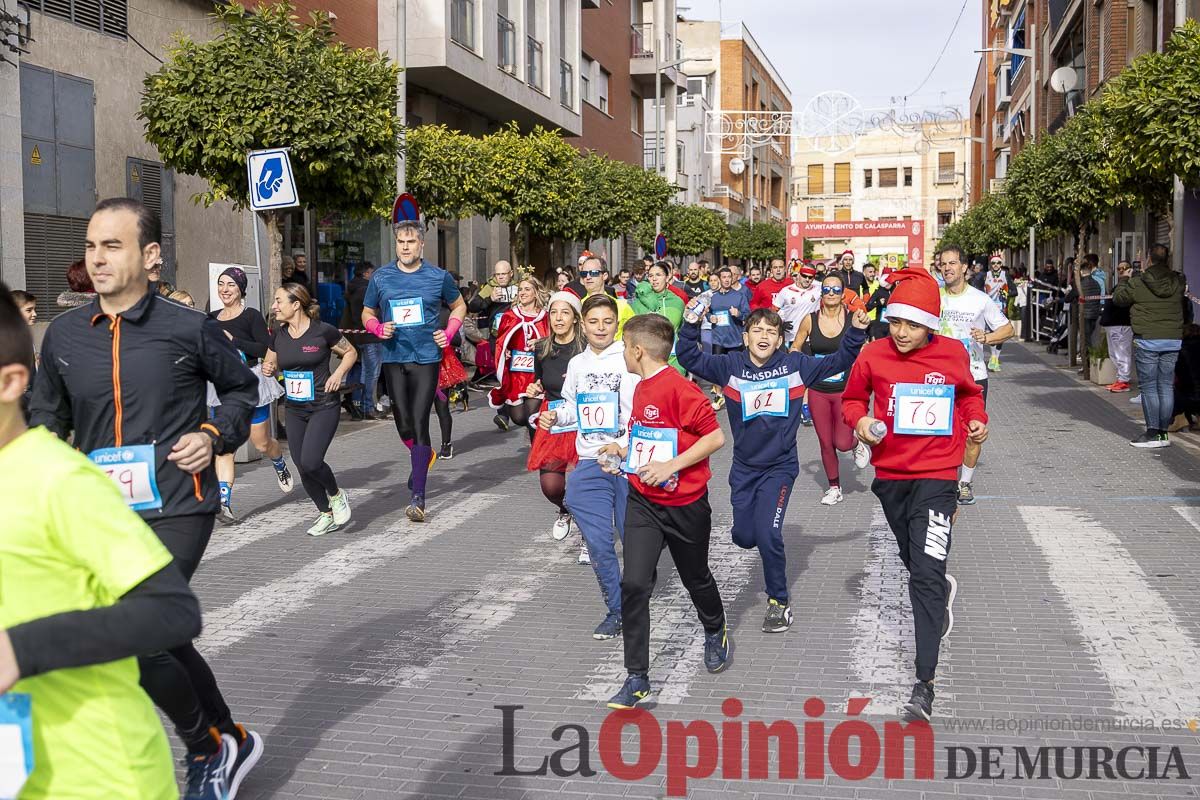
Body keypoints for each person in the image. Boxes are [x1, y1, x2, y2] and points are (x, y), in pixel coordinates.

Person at [29, 197, 263, 799]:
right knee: (166, 638)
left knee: (140, 634)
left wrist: (211, 434)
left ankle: (206, 748)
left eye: (113, 245)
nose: (98, 258)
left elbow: (242, 391)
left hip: (179, 505)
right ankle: (229, 734)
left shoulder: (187, 328)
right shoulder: (62, 336)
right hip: (100, 513)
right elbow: (46, 423)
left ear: (149, 255)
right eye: (90, 246)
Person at [0, 283, 206, 800]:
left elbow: (173, 612)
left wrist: (19, 649)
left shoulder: (57, 479)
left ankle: (211, 740)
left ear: (10, 383)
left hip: (97, 776)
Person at [842, 267, 988, 721]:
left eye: (912, 324)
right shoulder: (873, 356)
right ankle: (939, 589)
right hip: (891, 478)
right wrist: (861, 423)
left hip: (939, 476)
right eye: (896, 323)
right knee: (915, 560)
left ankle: (923, 684)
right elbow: (851, 400)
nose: (902, 333)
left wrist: (976, 417)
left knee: (923, 573)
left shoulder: (952, 353)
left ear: (931, 323)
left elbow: (968, 396)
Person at [677, 303, 867, 635]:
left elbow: (839, 361)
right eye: (758, 330)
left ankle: (778, 601)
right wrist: (691, 322)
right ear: (745, 336)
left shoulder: (795, 364)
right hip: (743, 469)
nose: (764, 336)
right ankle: (753, 538)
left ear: (780, 340)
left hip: (779, 467)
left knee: (768, 534)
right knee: (744, 536)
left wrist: (856, 333)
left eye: (772, 332)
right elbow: (690, 358)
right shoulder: (729, 365)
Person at [601, 314, 730, 709]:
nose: (622, 352)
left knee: (696, 577)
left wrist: (670, 467)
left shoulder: (679, 389)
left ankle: (715, 628)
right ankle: (637, 677)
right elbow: (650, 437)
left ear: (638, 350)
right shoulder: (640, 387)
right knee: (635, 584)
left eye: (624, 346)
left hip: (686, 505)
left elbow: (715, 437)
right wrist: (623, 451)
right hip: (643, 502)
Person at [543, 293, 639, 639]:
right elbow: (572, 408)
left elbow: (645, 412)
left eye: (607, 321)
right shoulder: (579, 364)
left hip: (629, 462)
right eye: (593, 322)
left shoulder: (631, 359)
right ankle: (618, 609)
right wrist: (555, 417)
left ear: (617, 324)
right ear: (583, 325)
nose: (600, 328)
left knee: (635, 542)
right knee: (599, 543)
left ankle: (638, 585)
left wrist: (626, 446)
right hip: (590, 461)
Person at [362, 220, 467, 521]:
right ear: (396, 244)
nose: (405, 247)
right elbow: (367, 313)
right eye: (400, 242)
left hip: (426, 358)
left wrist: (448, 333)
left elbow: (459, 306)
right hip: (394, 357)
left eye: (411, 242)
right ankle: (425, 458)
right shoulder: (381, 278)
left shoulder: (438, 277)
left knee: (420, 420)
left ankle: (418, 497)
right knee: (402, 423)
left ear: (421, 244)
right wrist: (377, 327)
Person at [262, 283, 356, 536]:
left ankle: (337, 495)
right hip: (294, 409)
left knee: (312, 461)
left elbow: (350, 352)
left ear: (296, 304)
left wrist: (337, 374)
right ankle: (325, 513)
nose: (274, 306)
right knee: (302, 467)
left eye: (279, 301)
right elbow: (270, 361)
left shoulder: (323, 332)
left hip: (323, 405)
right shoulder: (278, 335)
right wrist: (268, 369)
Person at [208, 266, 292, 523]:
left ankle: (278, 462)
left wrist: (235, 341)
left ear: (241, 289)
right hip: (221, 387)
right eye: (221, 284)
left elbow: (266, 347)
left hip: (249, 384)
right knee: (224, 448)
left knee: (261, 443)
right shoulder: (210, 317)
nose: (225, 289)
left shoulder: (251, 316)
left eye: (231, 284)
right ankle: (224, 504)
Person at [936, 245, 1013, 505]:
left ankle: (965, 482)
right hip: (939, 376)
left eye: (952, 263)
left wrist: (987, 337)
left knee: (973, 431)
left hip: (973, 375)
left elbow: (1008, 329)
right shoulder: (934, 298)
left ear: (964, 268)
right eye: (943, 264)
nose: (947, 268)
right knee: (940, 432)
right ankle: (942, 479)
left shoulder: (980, 299)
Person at [790, 272, 872, 505]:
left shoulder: (853, 318)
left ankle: (857, 443)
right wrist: (797, 367)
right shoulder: (810, 319)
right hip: (818, 390)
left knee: (842, 442)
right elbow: (795, 348)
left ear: (843, 293)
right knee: (825, 442)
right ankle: (834, 487)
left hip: (846, 391)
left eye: (837, 289)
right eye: (827, 289)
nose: (831, 293)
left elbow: (863, 350)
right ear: (821, 292)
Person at [525, 291, 586, 548]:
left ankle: (588, 535)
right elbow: (539, 381)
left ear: (575, 318)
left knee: (585, 483)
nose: (558, 318)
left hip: (583, 417)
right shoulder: (541, 348)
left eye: (565, 313)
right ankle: (565, 509)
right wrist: (534, 389)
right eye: (553, 312)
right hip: (553, 417)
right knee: (551, 485)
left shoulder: (586, 348)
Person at [1113, 243, 1186, 448]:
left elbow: (1119, 299)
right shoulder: (1178, 280)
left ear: (1148, 259)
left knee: (1149, 387)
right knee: (1165, 385)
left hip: (1148, 339)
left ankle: (1153, 432)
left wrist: (1124, 279)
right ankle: (1163, 434)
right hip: (1172, 339)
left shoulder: (1137, 282)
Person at [489, 275, 549, 436]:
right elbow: (500, 341)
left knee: (531, 414)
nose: (522, 293)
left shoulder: (546, 317)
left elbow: (554, 340)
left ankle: (536, 455)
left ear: (536, 293)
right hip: (517, 374)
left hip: (537, 375)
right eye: (520, 289)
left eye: (527, 289)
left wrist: (540, 342)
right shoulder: (510, 316)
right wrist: (505, 352)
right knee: (519, 417)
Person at [467, 260, 519, 387]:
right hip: (497, 335)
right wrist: (490, 299)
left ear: (511, 273)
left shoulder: (518, 286)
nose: (500, 277)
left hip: (516, 333)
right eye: (497, 274)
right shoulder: (490, 287)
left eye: (504, 274)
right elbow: (472, 306)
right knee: (501, 366)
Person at [344, 261, 385, 419]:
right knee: (372, 373)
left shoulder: (354, 289)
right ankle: (367, 406)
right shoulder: (366, 290)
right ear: (366, 273)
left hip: (362, 335)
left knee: (365, 372)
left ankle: (360, 405)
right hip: (371, 336)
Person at [706, 266, 751, 410]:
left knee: (736, 370)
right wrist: (709, 317)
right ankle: (719, 395)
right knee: (718, 368)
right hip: (718, 339)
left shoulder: (739, 296)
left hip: (735, 340)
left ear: (732, 278)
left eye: (728, 277)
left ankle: (737, 396)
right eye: (723, 277)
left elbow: (748, 315)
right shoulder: (713, 297)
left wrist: (738, 314)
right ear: (719, 279)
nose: (726, 280)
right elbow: (707, 313)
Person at [630, 261, 686, 374]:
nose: (654, 279)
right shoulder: (637, 303)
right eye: (650, 276)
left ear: (668, 277)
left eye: (658, 275)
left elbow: (682, 331)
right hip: (646, 362)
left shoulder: (677, 302)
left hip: (673, 361)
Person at [566, 256, 635, 335]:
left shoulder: (622, 307)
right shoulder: (577, 307)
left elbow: (636, 335)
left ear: (605, 275)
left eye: (593, 273)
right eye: (584, 273)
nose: (588, 277)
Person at [1102, 260, 1135, 392]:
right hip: (1112, 323)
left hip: (1121, 324)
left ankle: (1124, 381)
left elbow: (1123, 301)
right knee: (1114, 353)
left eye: (1124, 268)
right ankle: (1120, 378)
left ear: (1130, 270)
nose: (1121, 271)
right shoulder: (1120, 284)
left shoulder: (1130, 284)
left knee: (1122, 353)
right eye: (1119, 268)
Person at [772, 262, 821, 348]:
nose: (807, 279)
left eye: (810, 277)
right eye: (804, 276)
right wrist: (780, 324)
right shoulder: (786, 291)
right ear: (799, 275)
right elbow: (773, 311)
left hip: (809, 338)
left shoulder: (818, 289)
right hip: (790, 338)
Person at [982, 255, 1016, 371]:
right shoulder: (985, 275)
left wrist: (1006, 294)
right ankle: (993, 357)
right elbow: (977, 288)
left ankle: (996, 357)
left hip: (1001, 307)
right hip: (989, 308)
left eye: (998, 263)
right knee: (992, 332)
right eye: (993, 263)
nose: (996, 265)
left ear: (1001, 264)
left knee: (1001, 333)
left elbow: (1014, 291)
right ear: (991, 265)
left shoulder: (1005, 275)